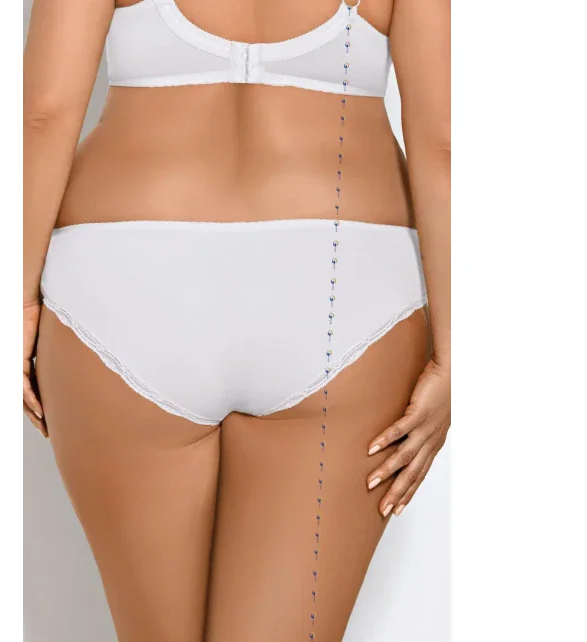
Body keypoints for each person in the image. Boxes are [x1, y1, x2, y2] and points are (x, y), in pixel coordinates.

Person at [23, 0, 450, 640]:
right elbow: (443, 141)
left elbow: (44, 113)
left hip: (128, 276)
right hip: (341, 286)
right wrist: (456, 351)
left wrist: (15, 301)